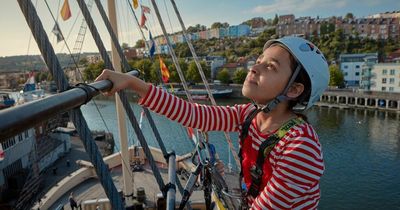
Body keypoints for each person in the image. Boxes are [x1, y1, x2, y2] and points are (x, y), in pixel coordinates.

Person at [95, 36, 329, 209]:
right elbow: (194, 115)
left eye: (270, 67)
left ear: (295, 90)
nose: (254, 68)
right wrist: (133, 84)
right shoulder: (249, 114)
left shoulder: (300, 148)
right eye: (258, 61)